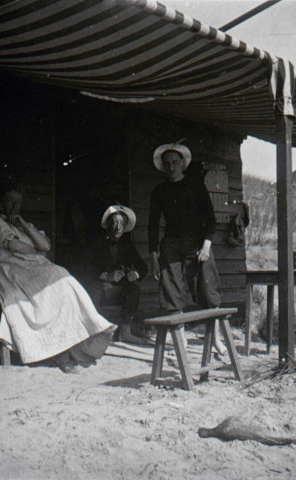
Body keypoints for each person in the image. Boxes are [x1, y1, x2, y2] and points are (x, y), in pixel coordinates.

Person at [0, 183, 116, 373]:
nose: (14, 207)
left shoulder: (23, 226)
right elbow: (15, 247)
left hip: (35, 270)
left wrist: (23, 226)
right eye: (9, 202)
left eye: (18, 203)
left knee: (64, 286)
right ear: (0, 203)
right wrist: (33, 250)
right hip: (11, 274)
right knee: (58, 281)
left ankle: (70, 347)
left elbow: (44, 246)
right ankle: (58, 353)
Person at [148, 142, 226, 354]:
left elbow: (210, 219)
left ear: (183, 163)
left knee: (208, 287)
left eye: (175, 162)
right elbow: (153, 225)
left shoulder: (196, 186)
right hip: (171, 244)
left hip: (197, 242)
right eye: (167, 164)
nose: (172, 167)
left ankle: (216, 339)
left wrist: (207, 245)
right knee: (171, 290)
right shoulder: (159, 192)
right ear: (163, 167)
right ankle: (179, 341)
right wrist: (154, 256)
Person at [78, 205, 150, 345]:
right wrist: (105, 275)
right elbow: (83, 267)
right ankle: (93, 332)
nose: (118, 227)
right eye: (115, 222)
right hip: (98, 288)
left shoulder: (126, 244)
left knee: (133, 289)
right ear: (108, 224)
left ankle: (125, 332)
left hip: (115, 291)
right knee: (96, 288)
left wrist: (135, 274)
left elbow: (143, 267)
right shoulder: (96, 242)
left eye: (122, 223)